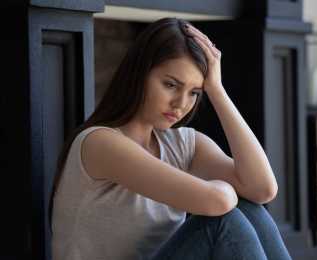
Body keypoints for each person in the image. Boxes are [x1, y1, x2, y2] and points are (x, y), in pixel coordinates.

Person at [49, 17, 292, 260]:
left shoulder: (182, 144)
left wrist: (217, 90)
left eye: (195, 92)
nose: (181, 104)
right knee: (224, 220)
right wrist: (225, 192)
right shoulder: (99, 143)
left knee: (248, 206)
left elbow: (262, 189)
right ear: (140, 73)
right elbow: (217, 201)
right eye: (171, 85)